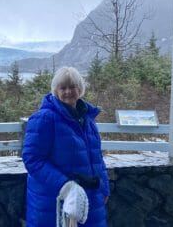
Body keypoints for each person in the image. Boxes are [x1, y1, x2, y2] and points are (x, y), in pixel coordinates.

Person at [22, 66, 110, 227]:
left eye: (72, 87)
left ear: (80, 89)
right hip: (54, 202)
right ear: (56, 90)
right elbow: (32, 159)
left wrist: (104, 188)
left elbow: (96, 157)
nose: (68, 92)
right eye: (63, 88)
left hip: (91, 199)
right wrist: (65, 186)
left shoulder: (87, 118)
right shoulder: (45, 118)